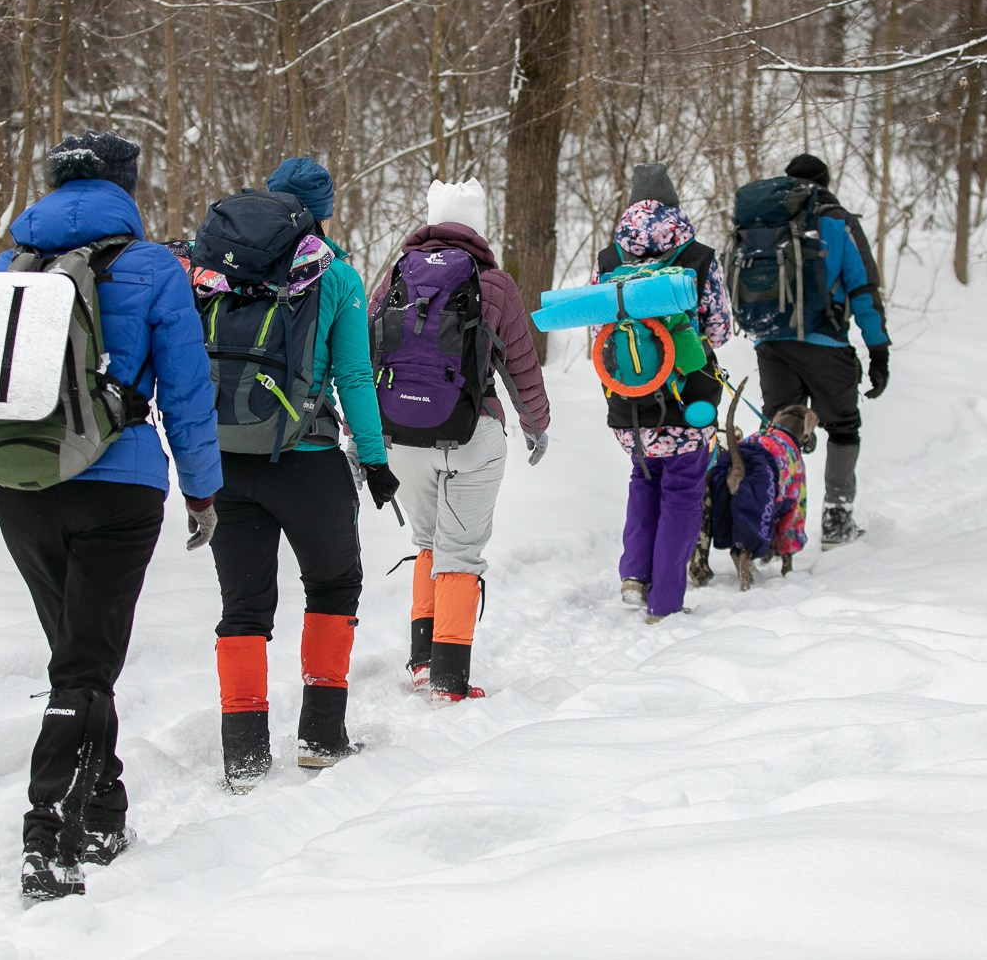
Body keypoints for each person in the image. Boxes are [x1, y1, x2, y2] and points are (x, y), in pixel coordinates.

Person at [0, 131, 222, 903]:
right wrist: (202, 491)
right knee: (86, 664)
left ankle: (101, 811)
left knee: (80, 655)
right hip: (118, 490)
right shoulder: (155, 266)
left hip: (18, 492)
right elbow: (189, 395)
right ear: (125, 185)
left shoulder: (5, 268)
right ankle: (48, 836)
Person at [206, 156, 400, 789]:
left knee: (242, 608)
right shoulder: (336, 277)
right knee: (335, 584)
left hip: (227, 463)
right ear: (325, 209)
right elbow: (353, 379)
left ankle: (244, 756)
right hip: (308, 463)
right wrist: (373, 461)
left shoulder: (217, 268)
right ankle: (320, 735)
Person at [369, 179, 551, 703]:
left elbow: (368, 352)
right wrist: (536, 424)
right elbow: (522, 366)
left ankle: (423, 664)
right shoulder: (494, 284)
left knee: (428, 543)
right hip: (472, 435)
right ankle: (450, 678)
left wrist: (365, 435)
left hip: (401, 437)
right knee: (461, 552)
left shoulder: (397, 274)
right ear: (476, 224)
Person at [595, 164, 733, 624]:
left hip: (629, 403)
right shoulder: (698, 255)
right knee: (683, 492)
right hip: (687, 401)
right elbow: (720, 328)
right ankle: (666, 602)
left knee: (643, 480)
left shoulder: (610, 260)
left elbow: (598, 328)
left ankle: (634, 576)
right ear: (673, 206)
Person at [752, 154, 889, 549]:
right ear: (826, 182)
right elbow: (863, 289)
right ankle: (836, 520)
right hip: (824, 343)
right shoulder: (838, 221)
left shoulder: (765, 220)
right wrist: (878, 352)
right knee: (843, 428)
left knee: (779, 433)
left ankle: (765, 521)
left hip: (771, 342)